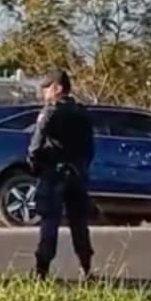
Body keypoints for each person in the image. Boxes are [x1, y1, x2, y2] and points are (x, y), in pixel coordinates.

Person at [27, 69, 95, 281]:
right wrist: (81, 168)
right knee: (79, 223)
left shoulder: (50, 111)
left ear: (57, 88)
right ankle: (86, 268)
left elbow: (35, 146)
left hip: (53, 173)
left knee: (49, 221)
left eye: (47, 88)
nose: (44, 93)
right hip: (76, 174)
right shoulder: (82, 112)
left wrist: (35, 165)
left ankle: (41, 271)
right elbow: (89, 148)